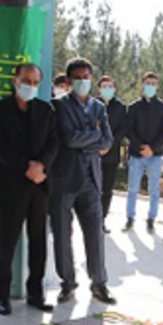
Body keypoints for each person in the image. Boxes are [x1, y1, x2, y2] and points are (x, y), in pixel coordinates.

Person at [0, 63, 58, 315]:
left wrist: (41, 166)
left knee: (38, 241)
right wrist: (27, 167)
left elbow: (53, 143)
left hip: (39, 184)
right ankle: (2, 296)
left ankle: (36, 293)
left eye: (35, 82)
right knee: (6, 241)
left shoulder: (46, 110)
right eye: (26, 80)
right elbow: (0, 146)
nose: (30, 86)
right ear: (15, 81)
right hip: (12, 185)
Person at [50, 58, 116, 305]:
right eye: (77, 78)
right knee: (62, 234)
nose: (82, 82)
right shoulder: (59, 106)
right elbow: (68, 138)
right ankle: (67, 283)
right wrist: (94, 135)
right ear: (69, 81)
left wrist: (92, 138)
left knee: (95, 234)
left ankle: (99, 283)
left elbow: (108, 141)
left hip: (91, 179)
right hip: (64, 179)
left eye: (86, 77)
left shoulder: (98, 107)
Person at [123, 72, 163, 233]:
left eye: (153, 83)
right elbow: (129, 130)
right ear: (142, 85)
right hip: (136, 154)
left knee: (154, 190)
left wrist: (153, 148)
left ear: (157, 86)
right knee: (133, 188)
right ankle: (130, 218)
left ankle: (151, 219)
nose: (150, 86)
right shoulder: (133, 107)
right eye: (147, 83)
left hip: (155, 155)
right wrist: (140, 147)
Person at [97, 75, 127, 232]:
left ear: (115, 89)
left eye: (110, 86)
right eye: (104, 86)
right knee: (93, 188)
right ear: (99, 89)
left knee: (107, 190)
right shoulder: (92, 104)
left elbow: (122, 129)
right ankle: (91, 219)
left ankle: (102, 219)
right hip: (94, 153)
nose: (107, 89)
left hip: (112, 154)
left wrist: (109, 144)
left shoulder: (120, 107)